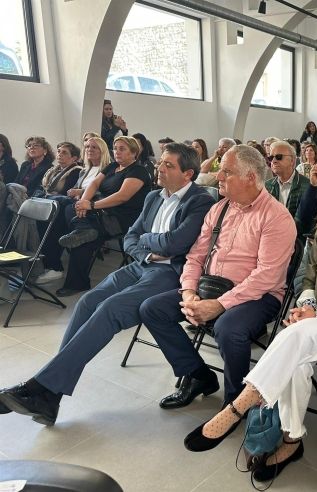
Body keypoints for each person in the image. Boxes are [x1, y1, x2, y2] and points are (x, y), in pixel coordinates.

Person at [182, 166, 317, 482]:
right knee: (297, 361)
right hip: (311, 319)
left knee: (295, 338)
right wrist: (307, 306)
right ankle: (291, 440)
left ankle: (238, 407)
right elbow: (306, 277)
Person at [0, 143, 215, 425]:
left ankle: (43, 389)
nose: (159, 168)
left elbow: (175, 243)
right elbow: (130, 237)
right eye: (160, 162)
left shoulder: (200, 201)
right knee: (87, 302)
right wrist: (147, 249)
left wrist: (147, 240)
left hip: (170, 273)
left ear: (188, 174)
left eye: (168, 165)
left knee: (111, 308)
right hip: (142, 264)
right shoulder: (154, 196)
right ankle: (50, 394)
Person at [139, 144, 296, 409]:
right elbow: (196, 257)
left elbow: (266, 276)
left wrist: (220, 305)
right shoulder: (219, 209)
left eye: (227, 171)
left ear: (250, 177)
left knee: (228, 329)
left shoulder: (276, 217)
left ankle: (234, 404)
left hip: (259, 296)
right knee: (152, 309)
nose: (218, 176)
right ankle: (198, 376)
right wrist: (190, 292)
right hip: (211, 286)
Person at [56, 136, 151, 296]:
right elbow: (94, 184)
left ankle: (77, 282)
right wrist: (84, 201)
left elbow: (122, 196)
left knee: (85, 236)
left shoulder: (138, 171)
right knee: (75, 213)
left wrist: (91, 205)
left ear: (134, 152)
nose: (117, 152)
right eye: (115, 148)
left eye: (122, 149)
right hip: (102, 212)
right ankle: (83, 231)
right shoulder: (113, 166)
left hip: (122, 218)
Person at [35, 137, 111, 285]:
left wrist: (80, 193)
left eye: (94, 147)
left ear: (103, 150)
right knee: (47, 218)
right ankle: (48, 263)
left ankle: (54, 267)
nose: (89, 149)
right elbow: (74, 192)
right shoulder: (84, 171)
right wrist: (76, 193)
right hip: (74, 206)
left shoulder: (107, 170)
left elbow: (105, 191)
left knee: (56, 211)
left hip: (92, 209)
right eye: (87, 147)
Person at [265, 140, 310, 224]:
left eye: (279, 157)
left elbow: (304, 221)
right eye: (271, 158)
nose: (273, 161)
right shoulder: (267, 185)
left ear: (292, 160)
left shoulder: (307, 186)